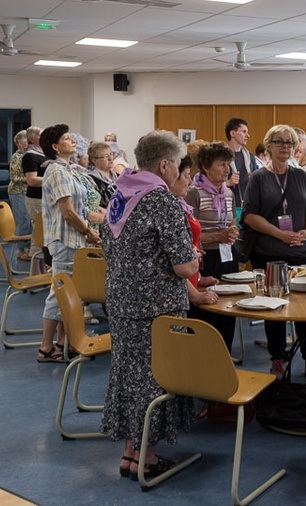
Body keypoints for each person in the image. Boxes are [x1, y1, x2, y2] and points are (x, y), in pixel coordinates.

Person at [100, 130, 199, 481]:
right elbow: (183, 267)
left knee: (130, 376)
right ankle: (149, 456)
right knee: (155, 380)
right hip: (156, 306)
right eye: (177, 165)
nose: (179, 172)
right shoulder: (161, 201)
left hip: (121, 301)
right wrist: (195, 259)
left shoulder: (120, 194)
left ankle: (131, 454)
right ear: (164, 164)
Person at [241, 124, 306, 377]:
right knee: (273, 309)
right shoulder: (258, 179)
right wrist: (281, 234)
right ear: (268, 146)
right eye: (279, 141)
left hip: (300, 251)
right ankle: (277, 357)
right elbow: (250, 216)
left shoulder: (302, 177)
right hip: (269, 253)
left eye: (289, 142)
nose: (284, 146)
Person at [37, 124, 101, 363]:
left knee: (72, 292)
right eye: (66, 138)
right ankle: (45, 347)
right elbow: (68, 212)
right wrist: (88, 231)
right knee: (60, 293)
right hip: (66, 239)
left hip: (75, 239)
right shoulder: (57, 171)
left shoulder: (68, 169)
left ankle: (65, 343)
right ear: (55, 147)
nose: (72, 140)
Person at [184, 141, 239, 350]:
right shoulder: (194, 193)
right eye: (221, 164)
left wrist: (233, 231)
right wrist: (219, 235)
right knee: (206, 311)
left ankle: (224, 354)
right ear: (206, 167)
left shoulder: (229, 193)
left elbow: (233, 221)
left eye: (228, 164)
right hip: (205, 258)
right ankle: (205, 357)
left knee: (229, 307)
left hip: (227, 255)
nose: (227, 170)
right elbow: (189, 236)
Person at [168, 154, 219, 307]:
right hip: (182, 289)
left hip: (190, 279)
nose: (190, 181)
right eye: (186, 176)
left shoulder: (181, 204)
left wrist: (198, 278)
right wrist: (195, 294)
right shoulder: (170, 208)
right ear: (173, 177)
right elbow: (172, 261)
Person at [225, 117, 259, 219]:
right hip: (227, 207)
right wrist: (228, 183)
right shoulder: (222, 156)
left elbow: (258, 179)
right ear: (233, 134)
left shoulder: (250, 156)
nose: (248, 135)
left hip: (248, 207)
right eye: (244, 132)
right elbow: (210, 183)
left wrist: (254, 177)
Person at [22, 125, 45, 269]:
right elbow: (31, 180)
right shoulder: (29, 155)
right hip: (36, 199)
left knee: (44, 234)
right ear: (32, 138)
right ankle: (35, 271)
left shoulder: (42, 154)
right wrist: (52, 178)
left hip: (44, 198)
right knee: (39, 233)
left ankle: (42, 269)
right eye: (41, 135)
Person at [8, 129, 30, 261]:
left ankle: (29, 249)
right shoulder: (16, 157)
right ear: (20, 144)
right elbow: (14, 177)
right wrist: (31, 179)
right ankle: (20, 251)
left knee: (29, 222)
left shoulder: (26, 156)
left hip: (26, 192)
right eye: (27, 141)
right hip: (18, 192)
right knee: (23, 222)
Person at [86, 141, 118, 209]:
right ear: (94, 160)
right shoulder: (91, 180)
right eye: (106, 156)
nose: (110, 158)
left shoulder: (119, 177)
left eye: (111, 154)